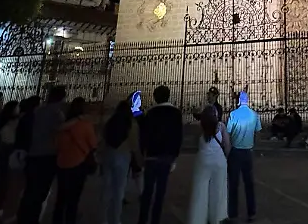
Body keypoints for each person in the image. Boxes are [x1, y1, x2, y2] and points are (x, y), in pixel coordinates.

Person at [18, 85, 68, 224]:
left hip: (33, 154)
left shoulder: (37, 111)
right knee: (40, 192)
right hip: (47, 156)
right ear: (61, 98)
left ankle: (23, 218)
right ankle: (32, 219)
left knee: (29, 190)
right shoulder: (57, 114)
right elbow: (60, 134)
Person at [138, 85, 183, 224]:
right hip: (167, 157)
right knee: (160, 193)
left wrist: (142, 153)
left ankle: (142, 220)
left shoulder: (151, 113)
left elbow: (143, 135)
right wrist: (174, 156)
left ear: (155, 97)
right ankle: (155, 221)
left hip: (151, 156)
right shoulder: (176, 113)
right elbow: (178, 136)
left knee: (147, 192)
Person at [98, 93, 141, 224]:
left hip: (108, 155)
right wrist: (139, 160)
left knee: (106, 189)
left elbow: (102, 141)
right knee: (119, 190)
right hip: (123, 157)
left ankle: (103, 219)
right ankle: (116, 220)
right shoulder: (131, 123)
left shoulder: (109, 122)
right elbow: (134, 145)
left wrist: (100, 158)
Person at [53, 97, 96, 224]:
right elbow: (93, 144)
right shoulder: (85, 125)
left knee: (61, 198)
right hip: (79, 163)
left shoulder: (62, 127)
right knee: (73, 199)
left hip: (62, 163)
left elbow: (56, 145)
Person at [0, 98, 27, 218]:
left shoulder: (7, 121)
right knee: (3, 178)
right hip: (8, 149)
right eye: (17, 107)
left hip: (6, 149)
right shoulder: (12, 122)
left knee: (2, 178)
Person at [187, 105, 229, 224]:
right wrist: (226, 157)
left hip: (203, 160)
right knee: (219, 190)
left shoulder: (199, 127)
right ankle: (217, 218)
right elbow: (227, 145)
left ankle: (197, 219)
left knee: (200, 190)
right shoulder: (221, 126)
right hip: (219, 160)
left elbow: (196, 144)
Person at [226, 91, 261, 222]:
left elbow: (228, 132)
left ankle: (233, 214)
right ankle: (251, 212)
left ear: (239, 101)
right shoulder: (254, 115)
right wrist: (253, 146)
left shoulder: (233, 114)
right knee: (249, 183)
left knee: (234, 184)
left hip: (235, 152)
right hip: (248, 151)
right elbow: (258, 133)